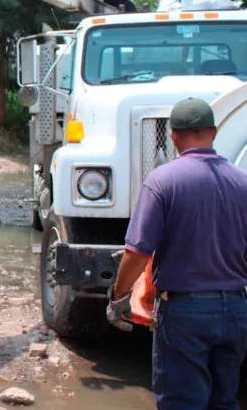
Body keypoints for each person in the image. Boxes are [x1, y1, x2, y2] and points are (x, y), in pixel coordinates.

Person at [106, 97, 247, 409]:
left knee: (182, 403)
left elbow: (137, 252)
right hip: (237, 311)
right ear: (214, 131)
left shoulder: (163, 181)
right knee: (224, 401)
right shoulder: (242, 181)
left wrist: (118, 297)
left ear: (172, 136)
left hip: (186, 313)